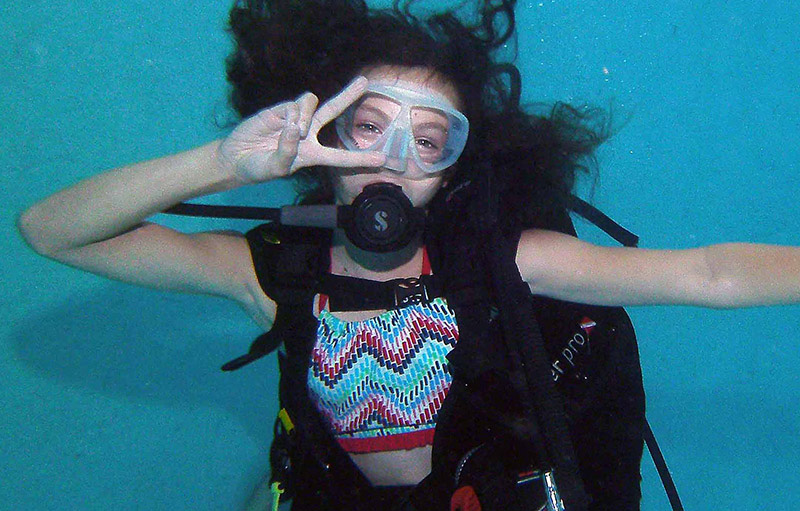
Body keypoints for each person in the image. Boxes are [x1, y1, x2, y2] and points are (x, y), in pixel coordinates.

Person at [16, 0, 800, 510]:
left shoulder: (498, 260)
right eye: (368, 127)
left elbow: (704, 272)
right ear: (321, 137)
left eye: (428, 141)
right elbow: (51, 232)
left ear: (453, 169)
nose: (394, 160)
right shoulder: (278, 273)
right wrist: (224, 161)